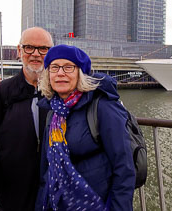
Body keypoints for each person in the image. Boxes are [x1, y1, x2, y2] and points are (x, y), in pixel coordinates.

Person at [36, 44, 135, 210]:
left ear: (80, 73)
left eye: (68, 67)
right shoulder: (53, 114)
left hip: (98, 203)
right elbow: (46, 170)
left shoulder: (102, 107)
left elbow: (124, 167)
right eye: (54, 67)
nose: (60, 73)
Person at [0, 27, 54, 210]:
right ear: (19, 51)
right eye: (29, 48)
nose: (35, 54)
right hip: (11, 191)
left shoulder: (59, 93)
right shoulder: (1, 93)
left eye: (43, 49)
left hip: (53, 189)